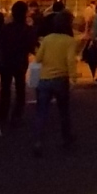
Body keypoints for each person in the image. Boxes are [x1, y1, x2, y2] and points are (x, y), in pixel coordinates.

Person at [33, 9, 77, 156]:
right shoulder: (69, 41)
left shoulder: (47, 39)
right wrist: (73, 78)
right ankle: (66, 137)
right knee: (63, 110)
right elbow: (70, 61)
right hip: (61, 79)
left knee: (42, 111)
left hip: (45, 78)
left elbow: (38, 58)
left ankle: (38, 140)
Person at [0, 1, 36, 128]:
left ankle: (3, 112)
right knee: (20, 88)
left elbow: (0, 44)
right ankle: (17, 114)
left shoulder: (5, 28)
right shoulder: (28, 29)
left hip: (6, 60)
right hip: (20, 60)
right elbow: (31, 46)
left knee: (5, 88)